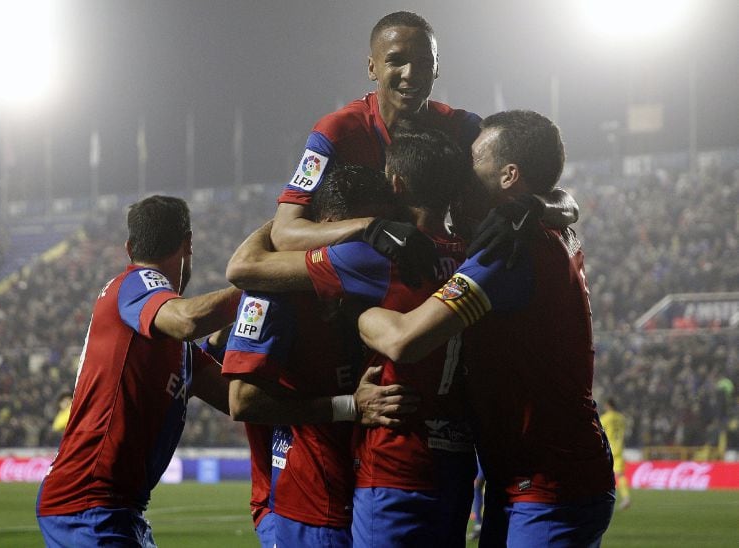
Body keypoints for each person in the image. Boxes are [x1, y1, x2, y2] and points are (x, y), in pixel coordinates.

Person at [356, 110, 616, 547]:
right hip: (532, 474)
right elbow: (562, 203)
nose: (463, 176)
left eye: (474, 163)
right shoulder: (545, 228)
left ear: (509, 175)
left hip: (550, 480)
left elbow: (404, 340)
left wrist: (361, 314)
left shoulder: (507, 253)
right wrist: (538, 204)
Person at [228, 125, 479, 547]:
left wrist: (296, 222)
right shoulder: (474, 254)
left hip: (393, 470)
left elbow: (243, 265)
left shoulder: (372, 259)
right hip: (432, 474)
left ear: (397, 185)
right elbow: (241, 400)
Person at [270, 10, 578, 277]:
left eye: (423, 62)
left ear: (437, 67)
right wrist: (371, 228)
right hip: (358, 285)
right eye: (396, 61)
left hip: (440, 278)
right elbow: (284, 233)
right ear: (372, 67)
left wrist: (530, 207)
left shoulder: (462, 128)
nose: (410, 74)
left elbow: (565, 204)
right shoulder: (338, 131)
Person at [223, 163, 420, 548]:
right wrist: (349, 406)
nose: (373, 244)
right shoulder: (273, 290)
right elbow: (242, 401)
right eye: (362, 230)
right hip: (314, 506)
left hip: (367, 497)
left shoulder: (365, 281)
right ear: (327, 225)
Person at [36, 195, 241, 547]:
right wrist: (259, 293)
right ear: (188, 242)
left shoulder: (176, 347)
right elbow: (189, 319)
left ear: (129, 246)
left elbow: (239, 401)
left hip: (114, 509)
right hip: (89, 504)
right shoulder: (136, 282)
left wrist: (340, 404)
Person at [601, 398, 631, 510]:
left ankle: (602, 499)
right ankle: (626, 498)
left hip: (607, 450)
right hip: (619, 449)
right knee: (620, 475)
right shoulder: (622, 418)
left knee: (602, 476)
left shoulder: (605, 418)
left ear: (607, 406)